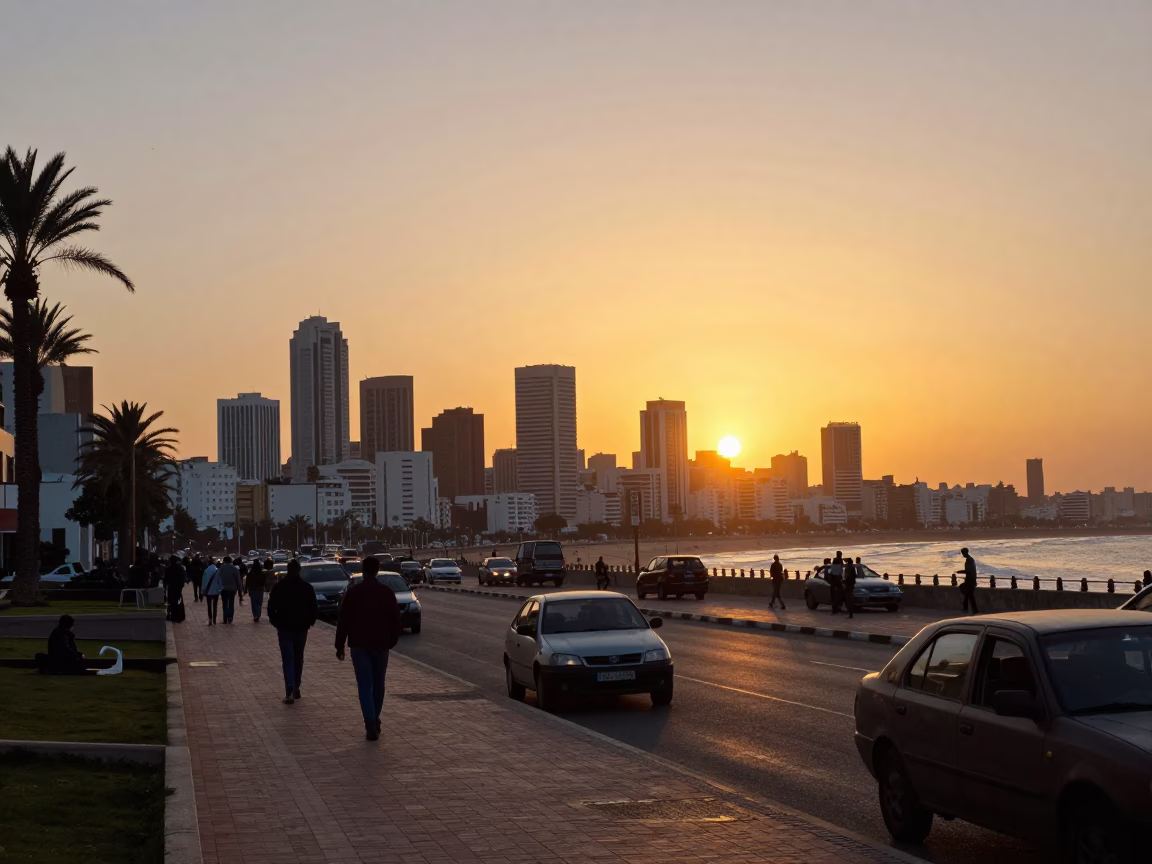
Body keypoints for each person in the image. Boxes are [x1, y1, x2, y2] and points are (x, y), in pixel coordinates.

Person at [335, 557, 401, 740]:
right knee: (378, 684)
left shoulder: (354, 592)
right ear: (378, 569)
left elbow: (344, 621)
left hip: (359, 645)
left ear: (363, 570)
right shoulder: (386, 592)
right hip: (381, 645)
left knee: (365, 685)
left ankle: (370, 721)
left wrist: (339, 644)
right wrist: (391, 641)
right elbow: (396, 621)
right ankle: (374, 718)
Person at [268, 559, 318, 704]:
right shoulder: (306, 587)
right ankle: (296, 685)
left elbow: (271, 608)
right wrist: (309, 622)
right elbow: (314, 608)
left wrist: (276, 622)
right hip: (301, 628)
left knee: (287, 659)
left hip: (284, 627)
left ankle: (289, 689)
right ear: (299, 570)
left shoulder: (279, 587)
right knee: (298, 657)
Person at [216, 556, 243, 624]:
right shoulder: (235, 569)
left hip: (224, 589)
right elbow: (238, 581)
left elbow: (217, 579)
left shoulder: (221, 569)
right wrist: (240, 590)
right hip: (233, 589)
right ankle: (230, 617)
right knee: (231, 602)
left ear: (224, 561)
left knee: (225, 603)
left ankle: (225, 618)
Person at [955, 548, 979, 614]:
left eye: (963, 553)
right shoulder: (970, 560)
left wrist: (960, 571)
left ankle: (972, 610)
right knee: (968, 595)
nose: (963, 555)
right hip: (970, 580)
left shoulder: (969, 560)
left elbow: (969, 571)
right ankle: (967, 608)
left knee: (969, 594)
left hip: (970, 581)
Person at [165, 555, 187, 623]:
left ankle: (173, 615)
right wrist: (181, 585)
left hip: (171, 587)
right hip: (178, 587)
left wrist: (165, 585)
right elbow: (183, 578)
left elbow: (166, 578)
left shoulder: (169, 568)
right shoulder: (180, 568)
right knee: (177, 601)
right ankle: (178, 616)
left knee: (171, 601)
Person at [246, 558, 269, 622]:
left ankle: (255, 614)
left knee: (254, 603)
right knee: (259, 602)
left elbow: (248, 581)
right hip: (260, 589)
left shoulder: (251, 573)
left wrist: (247, 588)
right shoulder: (261, 573)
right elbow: (264, 581)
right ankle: (258, 614)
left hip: (253, 589)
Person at [201, 557, 221, 625]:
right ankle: (214, 619)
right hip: (216, 590)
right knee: (215, 605)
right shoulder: (217, 570)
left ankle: (210, 618)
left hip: (208, 591)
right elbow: (220, 581)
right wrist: (220, 588)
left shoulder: (206, 571)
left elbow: (203, 582)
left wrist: (202, 590)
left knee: (209, 605)